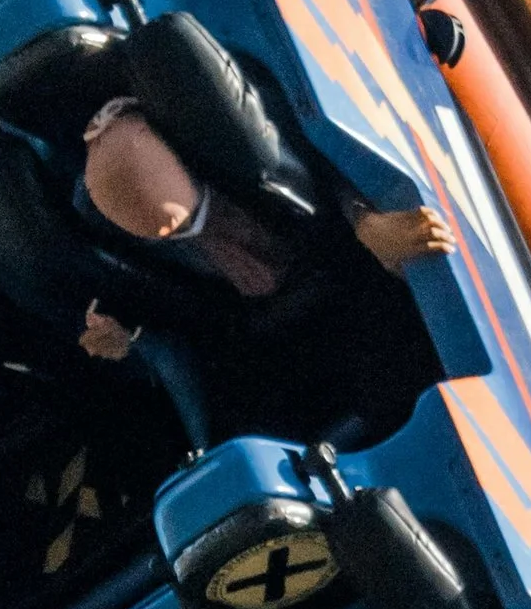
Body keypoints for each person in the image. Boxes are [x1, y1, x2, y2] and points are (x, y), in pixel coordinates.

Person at [73, 100, 452, 446]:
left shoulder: (250, 134)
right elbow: (154, 290)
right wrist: (121, 325)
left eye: (206, 212)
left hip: (347, 275)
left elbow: (320, 155)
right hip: (265, 337)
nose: (222, 240)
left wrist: (366, 223)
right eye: (182, 233)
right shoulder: (118, 227)